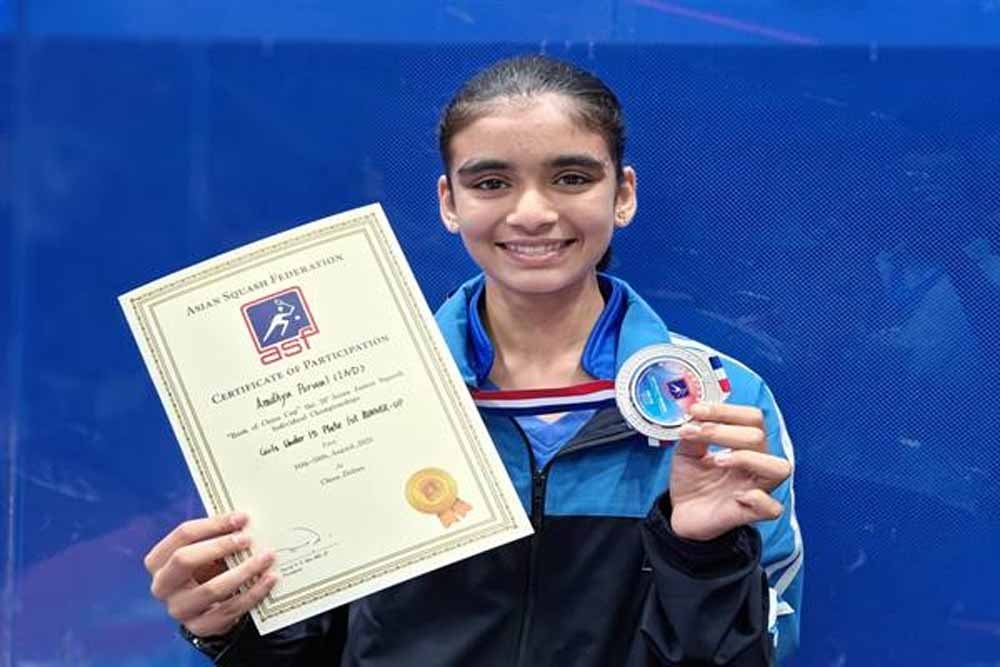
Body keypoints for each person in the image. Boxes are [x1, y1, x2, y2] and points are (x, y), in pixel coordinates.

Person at [144, 54, 803, 666]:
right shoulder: (355, 390)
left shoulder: (719, 400)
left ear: (622, 194)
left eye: (572, 178)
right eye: (491, 182)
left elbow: (759, 650)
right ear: (449, 202)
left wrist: (701, 555)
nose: (532, 212)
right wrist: (227, 627)